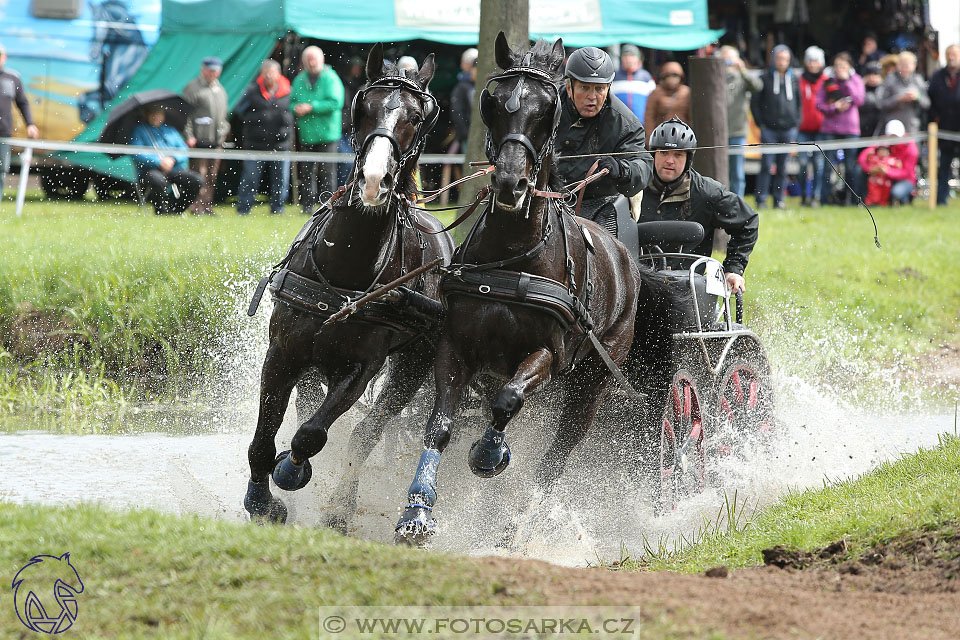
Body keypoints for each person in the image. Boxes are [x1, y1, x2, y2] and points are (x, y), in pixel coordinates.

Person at [637, 117, 758, 294]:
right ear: (653, 154)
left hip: (688, 289)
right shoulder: (634, 188)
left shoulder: (707, 193)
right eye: (663, 152)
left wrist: (733, 268)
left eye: (678, 155)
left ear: (688, 159)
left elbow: (748, 221)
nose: (669, 160)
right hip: (637, 283)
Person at [554, 46, 653, 237]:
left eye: (599, 88)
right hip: (547, 199)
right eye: (584, 87)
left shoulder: (626, 123)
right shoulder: (545, 107)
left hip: (600, 203)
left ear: (608, 88)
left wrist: (622, 170)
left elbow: (643, 165)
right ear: (569, 87)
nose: (592, 97)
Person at [235, 59, 294, 215]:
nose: (269, 76)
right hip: (255, 143)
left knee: (281, 179)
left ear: (278, 74)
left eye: (272, 73)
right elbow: (240, 111)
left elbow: (294, 111)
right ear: (261, 75)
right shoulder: (252, 91)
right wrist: (257, 121)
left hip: (281, 143)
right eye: (266, 73)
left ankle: (277, 209)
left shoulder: (289, 91)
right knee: (250, 178)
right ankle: (243, 209)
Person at [291, 46, 344, 214]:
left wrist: (311, 107)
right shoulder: (299, 80)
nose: (311, 63)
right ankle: (307, 206)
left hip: (328, 134)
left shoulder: (331, 78)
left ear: (322, 60)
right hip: (307, 134)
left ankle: (328, 205)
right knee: (307, 173)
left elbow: (336, 102)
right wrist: (296, 108)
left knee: (327, 173)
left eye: (314, 59)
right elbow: (291, 101)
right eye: (308, 60)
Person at [751, 44, 800, 209]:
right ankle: (762, 199)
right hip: (769, 129)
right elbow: (755, 103)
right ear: (773, 59)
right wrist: (761, 124)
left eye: (785, 59)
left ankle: (779, 199)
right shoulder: (765, 78)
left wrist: (795, 123)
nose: (782, 62)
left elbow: (799, 103)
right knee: (766, 165)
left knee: (782, 166)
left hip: (787, 129)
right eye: (779, 58)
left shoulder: (794, 78)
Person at [129, 105, 202, 215]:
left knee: (197, 180)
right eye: (152, 114)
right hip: (150, 170)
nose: (155, 117)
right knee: (158, 180)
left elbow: (184, 150)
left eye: (158, 113)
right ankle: (161, 211)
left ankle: (175, 210)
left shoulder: (171, 130)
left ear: (163, 116)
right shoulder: (139, 130)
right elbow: (137, 153)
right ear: (146, 115)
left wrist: (173, 159)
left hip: (173, 168)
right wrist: (159, 162)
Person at [182, 56, 229, 214]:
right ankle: (195, 205)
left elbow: (223, 116)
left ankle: (207, 205)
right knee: (199, 174)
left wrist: (223, 133)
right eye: (210, 70)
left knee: (212, 175)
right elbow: (185, 115)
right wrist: (188, 135)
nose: (213, 74)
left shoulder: (220, 90)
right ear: (203, 70)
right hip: (198, 140)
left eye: (216, 71)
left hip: (215, 141)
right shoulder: (192, 88)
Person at [816, 52, 864, 206]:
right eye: (837, 66)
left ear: (849, 67)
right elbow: (819, 104)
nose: (840, 69)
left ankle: (852, 200)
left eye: (843, 66)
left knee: (850, 166)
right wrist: (833, 108)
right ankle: (824, 199)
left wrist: (846, 81)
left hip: (850, 129)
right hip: (830, 128)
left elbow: (859, 99)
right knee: (827, 166)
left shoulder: (856, 80)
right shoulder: (827, 81)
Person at [720, 45, 762, 198]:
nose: (728, 62)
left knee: (737, 171)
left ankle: (738, 202)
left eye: (731, 58)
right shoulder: (717, 78)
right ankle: (721, 200)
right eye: (725, 58)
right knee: (720, 171)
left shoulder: (742, 77)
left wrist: (743, 70)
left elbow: (758, 86)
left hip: (738, 131)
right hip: (719, 132)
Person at [0, 42, 39, 198]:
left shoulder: (12, 78)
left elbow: (23, 102)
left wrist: (30, 124)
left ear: (4, 57)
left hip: (3, 132)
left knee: (2, 168)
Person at [857, 119, 918, 205]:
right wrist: (870, 169)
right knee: (859, 170)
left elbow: (906, 173)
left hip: (904, 179)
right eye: (891, 136)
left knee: (897, 192)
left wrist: (887, 171)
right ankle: (863, 200)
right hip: (882, 175)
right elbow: (863, 157)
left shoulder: (911, 149)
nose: (894, 139)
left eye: (896, 136)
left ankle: (906, 198)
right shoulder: (884, 142)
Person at [928, 44, 960, 206]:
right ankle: (941, 199)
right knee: (943, 166)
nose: (951, 57)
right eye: (948, 54)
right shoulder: (938, 76)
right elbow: (931, 99)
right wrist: (934, 118)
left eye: (954, 54)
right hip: (944, 128)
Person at [797, 46, 826, 207]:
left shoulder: (827, 81)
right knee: (802, 164)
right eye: (810, 61)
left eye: (816, 61)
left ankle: (816, 196)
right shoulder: (799, 80)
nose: (813, 64)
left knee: (819, 165)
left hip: (821, 129)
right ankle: (803, 196)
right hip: (802, 129)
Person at [876, 51, 929, 134]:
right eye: (902, 64)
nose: (905, 68)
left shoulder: (918, 80)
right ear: (897, 65)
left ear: (914, 66)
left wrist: (917, 97)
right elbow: (880, 103)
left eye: (908, 64)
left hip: (911, 125)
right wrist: (898, 99)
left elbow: (927, 103)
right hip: (893, 125)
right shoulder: (890, 79)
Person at [643, 61, 690, 142]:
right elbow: (649, 118)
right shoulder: (656, 93)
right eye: (669, 76)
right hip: (661, 136)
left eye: (675, 75)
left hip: (683, 136)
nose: (672, 79)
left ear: (681, 77)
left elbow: (691, 117)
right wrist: (650, 139)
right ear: (664, 77)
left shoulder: (687, 92)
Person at [337, 56, 364, 185]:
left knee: (351, 163)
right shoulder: (342, 83)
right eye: (355, 67)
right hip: (341, 129)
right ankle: (342, 189)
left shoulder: (358, 84)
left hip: (351, 129)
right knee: (346, 163)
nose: (358, 69)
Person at [612, 44, 655, 123]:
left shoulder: (646, 77)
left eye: (632, 55)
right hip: (618, 123)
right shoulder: (614, 77)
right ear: (621, 58)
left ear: (638, 58)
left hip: (641, 124)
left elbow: (654, 103)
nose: (628, 59)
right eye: (626, 56)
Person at [449, 48, 478, 154]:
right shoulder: (462, 87)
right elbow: (457, 112)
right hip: (468, 135)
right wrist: (466, 133)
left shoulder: (474, 87)